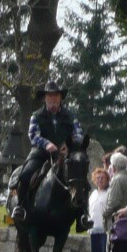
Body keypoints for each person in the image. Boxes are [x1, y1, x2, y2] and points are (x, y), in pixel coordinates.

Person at [9, 80, 85, 222]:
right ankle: (20, 207)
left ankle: (83, 215)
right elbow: (33, 135)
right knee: (25, 175)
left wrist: (70, 145)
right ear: (44, 98)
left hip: (64, 154)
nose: (53, 99)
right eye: (49, 96)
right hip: (41, 153)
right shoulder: (36, 115)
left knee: (80, 176)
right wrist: (46, 144)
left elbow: (79, 134)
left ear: (60, 98)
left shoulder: (70, 115)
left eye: (56, 96)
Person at [83, 167, 110, 252]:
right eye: (98, 178)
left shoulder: (108, 193)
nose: (100, 180)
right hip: (93, 228)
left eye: (102, 178)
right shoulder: (93, 194)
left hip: (104, 229)